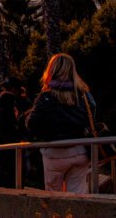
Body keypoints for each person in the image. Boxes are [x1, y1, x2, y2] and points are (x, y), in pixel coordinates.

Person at [25, 53, 96, 193]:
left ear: (51, 70)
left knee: (54, 196)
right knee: (77, 195)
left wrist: (45, 134)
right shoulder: (84, 95)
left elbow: (32, 125)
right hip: (81, 151)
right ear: (72, 71)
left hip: (55, 152)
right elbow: (92, 115)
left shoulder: (46, 97)